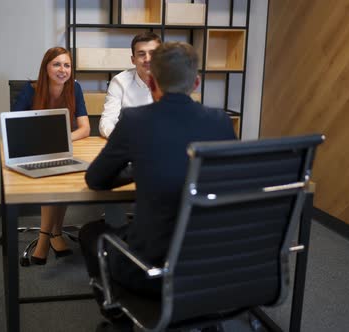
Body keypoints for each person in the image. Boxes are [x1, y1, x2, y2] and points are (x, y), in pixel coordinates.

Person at [79, 42, 236, 329]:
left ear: (151, 81)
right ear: (196, 83)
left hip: (152, 272)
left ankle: (118, 313)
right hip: (213, 268)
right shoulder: (221, 122)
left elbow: (96, 179)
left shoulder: (136, 120)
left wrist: (136, 170)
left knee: (91, 233)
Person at [11, 47, 90, 265]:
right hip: (34, 149)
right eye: (56, 64)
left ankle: (50, 235)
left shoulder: (74, 88)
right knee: (52, 177)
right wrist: (44, 143)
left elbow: (84, 128)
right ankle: (49, 235)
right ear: (45, 67)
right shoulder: (31, 90)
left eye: (67, 65)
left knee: (62, 176)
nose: (62, 70)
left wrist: (61, 142)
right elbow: (14, 125)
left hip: (63, 147)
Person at [98, 32, 161, 138]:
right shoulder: (119, 82)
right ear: (133, 60)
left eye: (153, 53)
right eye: (141, 54)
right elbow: (107, 121)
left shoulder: (172, 81)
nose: (148, 59)